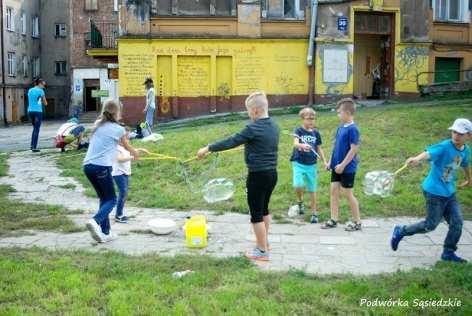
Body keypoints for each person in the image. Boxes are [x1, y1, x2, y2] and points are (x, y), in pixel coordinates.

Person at [197, 91, 279, 261]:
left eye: (249, 111)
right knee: (264, 210)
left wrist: (208, 148)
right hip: (272, 174)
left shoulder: (252, 128)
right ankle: (264, 243)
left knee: (256, 214)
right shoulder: (274, 126)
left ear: (255, 111)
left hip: (257, 175)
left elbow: (231, 141)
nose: (249, 115)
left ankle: (262, 251)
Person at [391, 118, 472, 263]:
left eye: (460, 133)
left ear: (469, 135)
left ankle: (448, 252)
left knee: (457, 222)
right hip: (434, 192)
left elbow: (465, 164)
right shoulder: (445, 146)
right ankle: (401, 231)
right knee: (430, 225)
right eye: (454, 131)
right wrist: (417, 159)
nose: (456, 135)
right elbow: (429, 152)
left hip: (450, 193)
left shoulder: (466, 150)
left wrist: (469, 179)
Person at [83, 99, 140, 243]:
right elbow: (126, 145)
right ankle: (95, 222)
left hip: (88, 167)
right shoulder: (118, 129)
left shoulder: (97, 125)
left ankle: (105, 232)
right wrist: (135, 153)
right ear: (117, 112)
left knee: (104, 198)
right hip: (101, 167)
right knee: (112, 199)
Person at [322, 98, 362, 231]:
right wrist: (330, 162)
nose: (338, 114)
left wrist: (343, 165)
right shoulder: (340, 128)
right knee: (333, 191)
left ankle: (357, 222)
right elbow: (336, 147)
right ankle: (334, 219)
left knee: (347, 194)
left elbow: (354, 149)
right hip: (336, 167)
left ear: (348, 112)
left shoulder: (353, 129)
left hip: (347, 168)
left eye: (339, 112)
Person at [290, 107, 327, 224]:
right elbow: (295, 144)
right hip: (298, 163)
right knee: (298, 184)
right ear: (302, 119)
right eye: (308, 119)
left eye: (313, 119)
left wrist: (325, 161)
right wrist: (302, 145)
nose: (311, 121)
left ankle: (314, 213)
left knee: (312, 189)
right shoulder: (298, 131)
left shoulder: (316, 133)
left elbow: (319, 148)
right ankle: (300, 202)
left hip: (312, 165)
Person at [112, 135, 149, 223]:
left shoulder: (125, 148)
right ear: (120, 141)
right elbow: (120, 159)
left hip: (125, 173)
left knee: (124, 194)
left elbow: (132, 151)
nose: (128, 141)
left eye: (128, 139)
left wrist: (141, 150)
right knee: (123, 193)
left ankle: (119, 213)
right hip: (118, 174)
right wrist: (133, 157)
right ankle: (118, 215)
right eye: (126, 139)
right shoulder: (116, 148)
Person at [27, 78, 48, 152]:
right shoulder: (41, 91)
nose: (44, 87)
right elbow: (45, 103)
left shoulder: (30, 90)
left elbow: (31, 100)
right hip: (37, 112)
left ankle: (32, 145)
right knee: (36, 129)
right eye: (43, 85)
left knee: (34, 128)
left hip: (30, 111)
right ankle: (34, 147)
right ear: (40, 83)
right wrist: (42, 101)